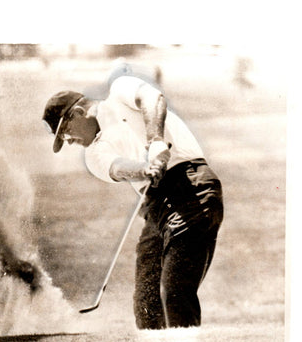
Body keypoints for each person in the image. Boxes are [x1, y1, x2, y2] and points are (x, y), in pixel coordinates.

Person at [42, 74, 223, 329]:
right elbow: (117, 168)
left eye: (66, 133)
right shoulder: (92, 154)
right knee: (146, 304)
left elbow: (152, 98)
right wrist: (144, 169)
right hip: (157, 208)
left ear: (78, 112)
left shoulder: (119, 91)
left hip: (191, 188)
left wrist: (156, 142)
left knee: (174, 292)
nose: (70, 142)